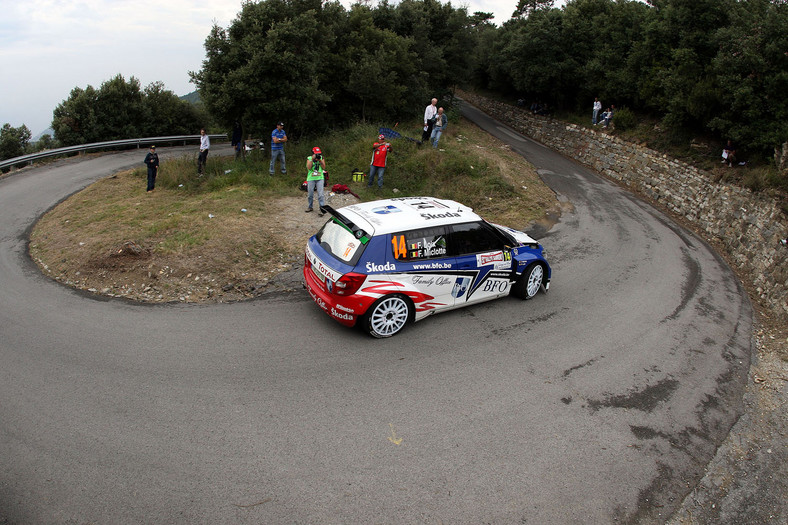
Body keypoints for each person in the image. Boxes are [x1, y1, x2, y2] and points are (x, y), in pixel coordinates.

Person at [305, 146, 327, 215]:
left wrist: (320, 160)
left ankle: (322, 209)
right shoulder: (309, 158)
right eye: (316, 154)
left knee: (320, 194)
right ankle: (310, 207)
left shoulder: (321, 158)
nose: (318, 155)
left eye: (319, 153)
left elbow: (324, 167)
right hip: (311, 178)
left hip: (320, 178)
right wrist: (312, 159)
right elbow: (308, 167)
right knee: (310, 194)